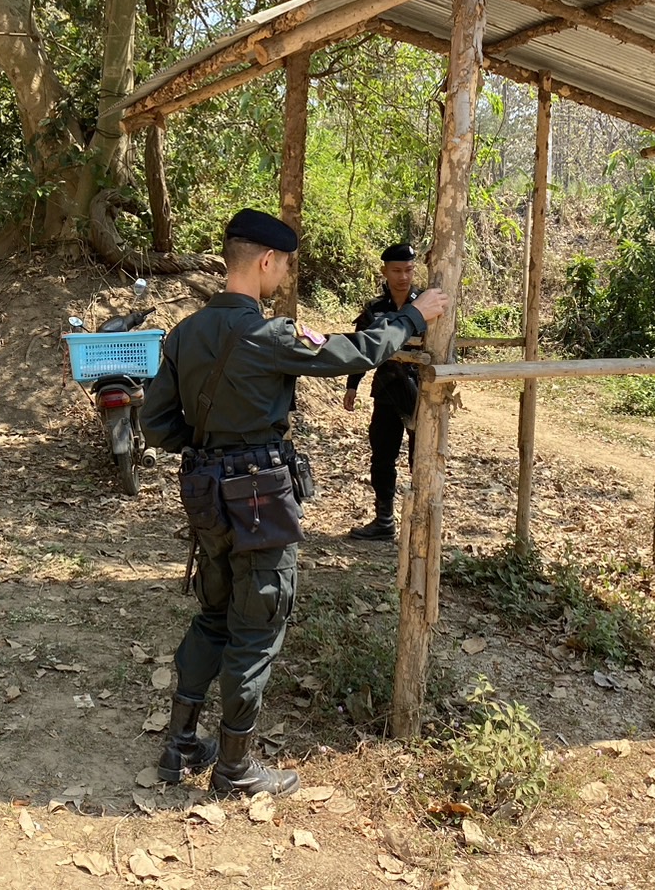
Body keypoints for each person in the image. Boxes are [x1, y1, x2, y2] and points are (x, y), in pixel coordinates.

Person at [141, 209, 448, 797]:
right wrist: (413, 316)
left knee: (213, 615)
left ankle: (181, 743)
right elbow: (353, 352)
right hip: (258, 499)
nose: (283, 276)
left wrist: (209, 449)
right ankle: (234, 768)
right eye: (282, 265)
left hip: (205, 495)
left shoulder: (184, 334)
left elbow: (156, 424)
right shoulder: (269, 335)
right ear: (265, 261)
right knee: (257, 624)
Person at [343, 243, 423, 542]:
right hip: (387, 390)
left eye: (409, 270)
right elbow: (361, 348)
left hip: (421, 393)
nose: (403, 277)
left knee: (421, 458)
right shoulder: (375, 309)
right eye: (397, 271)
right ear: (385, 271)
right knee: (382, 456)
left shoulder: (426, 304)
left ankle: (421, 523)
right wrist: (353, 385)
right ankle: (384, 520)